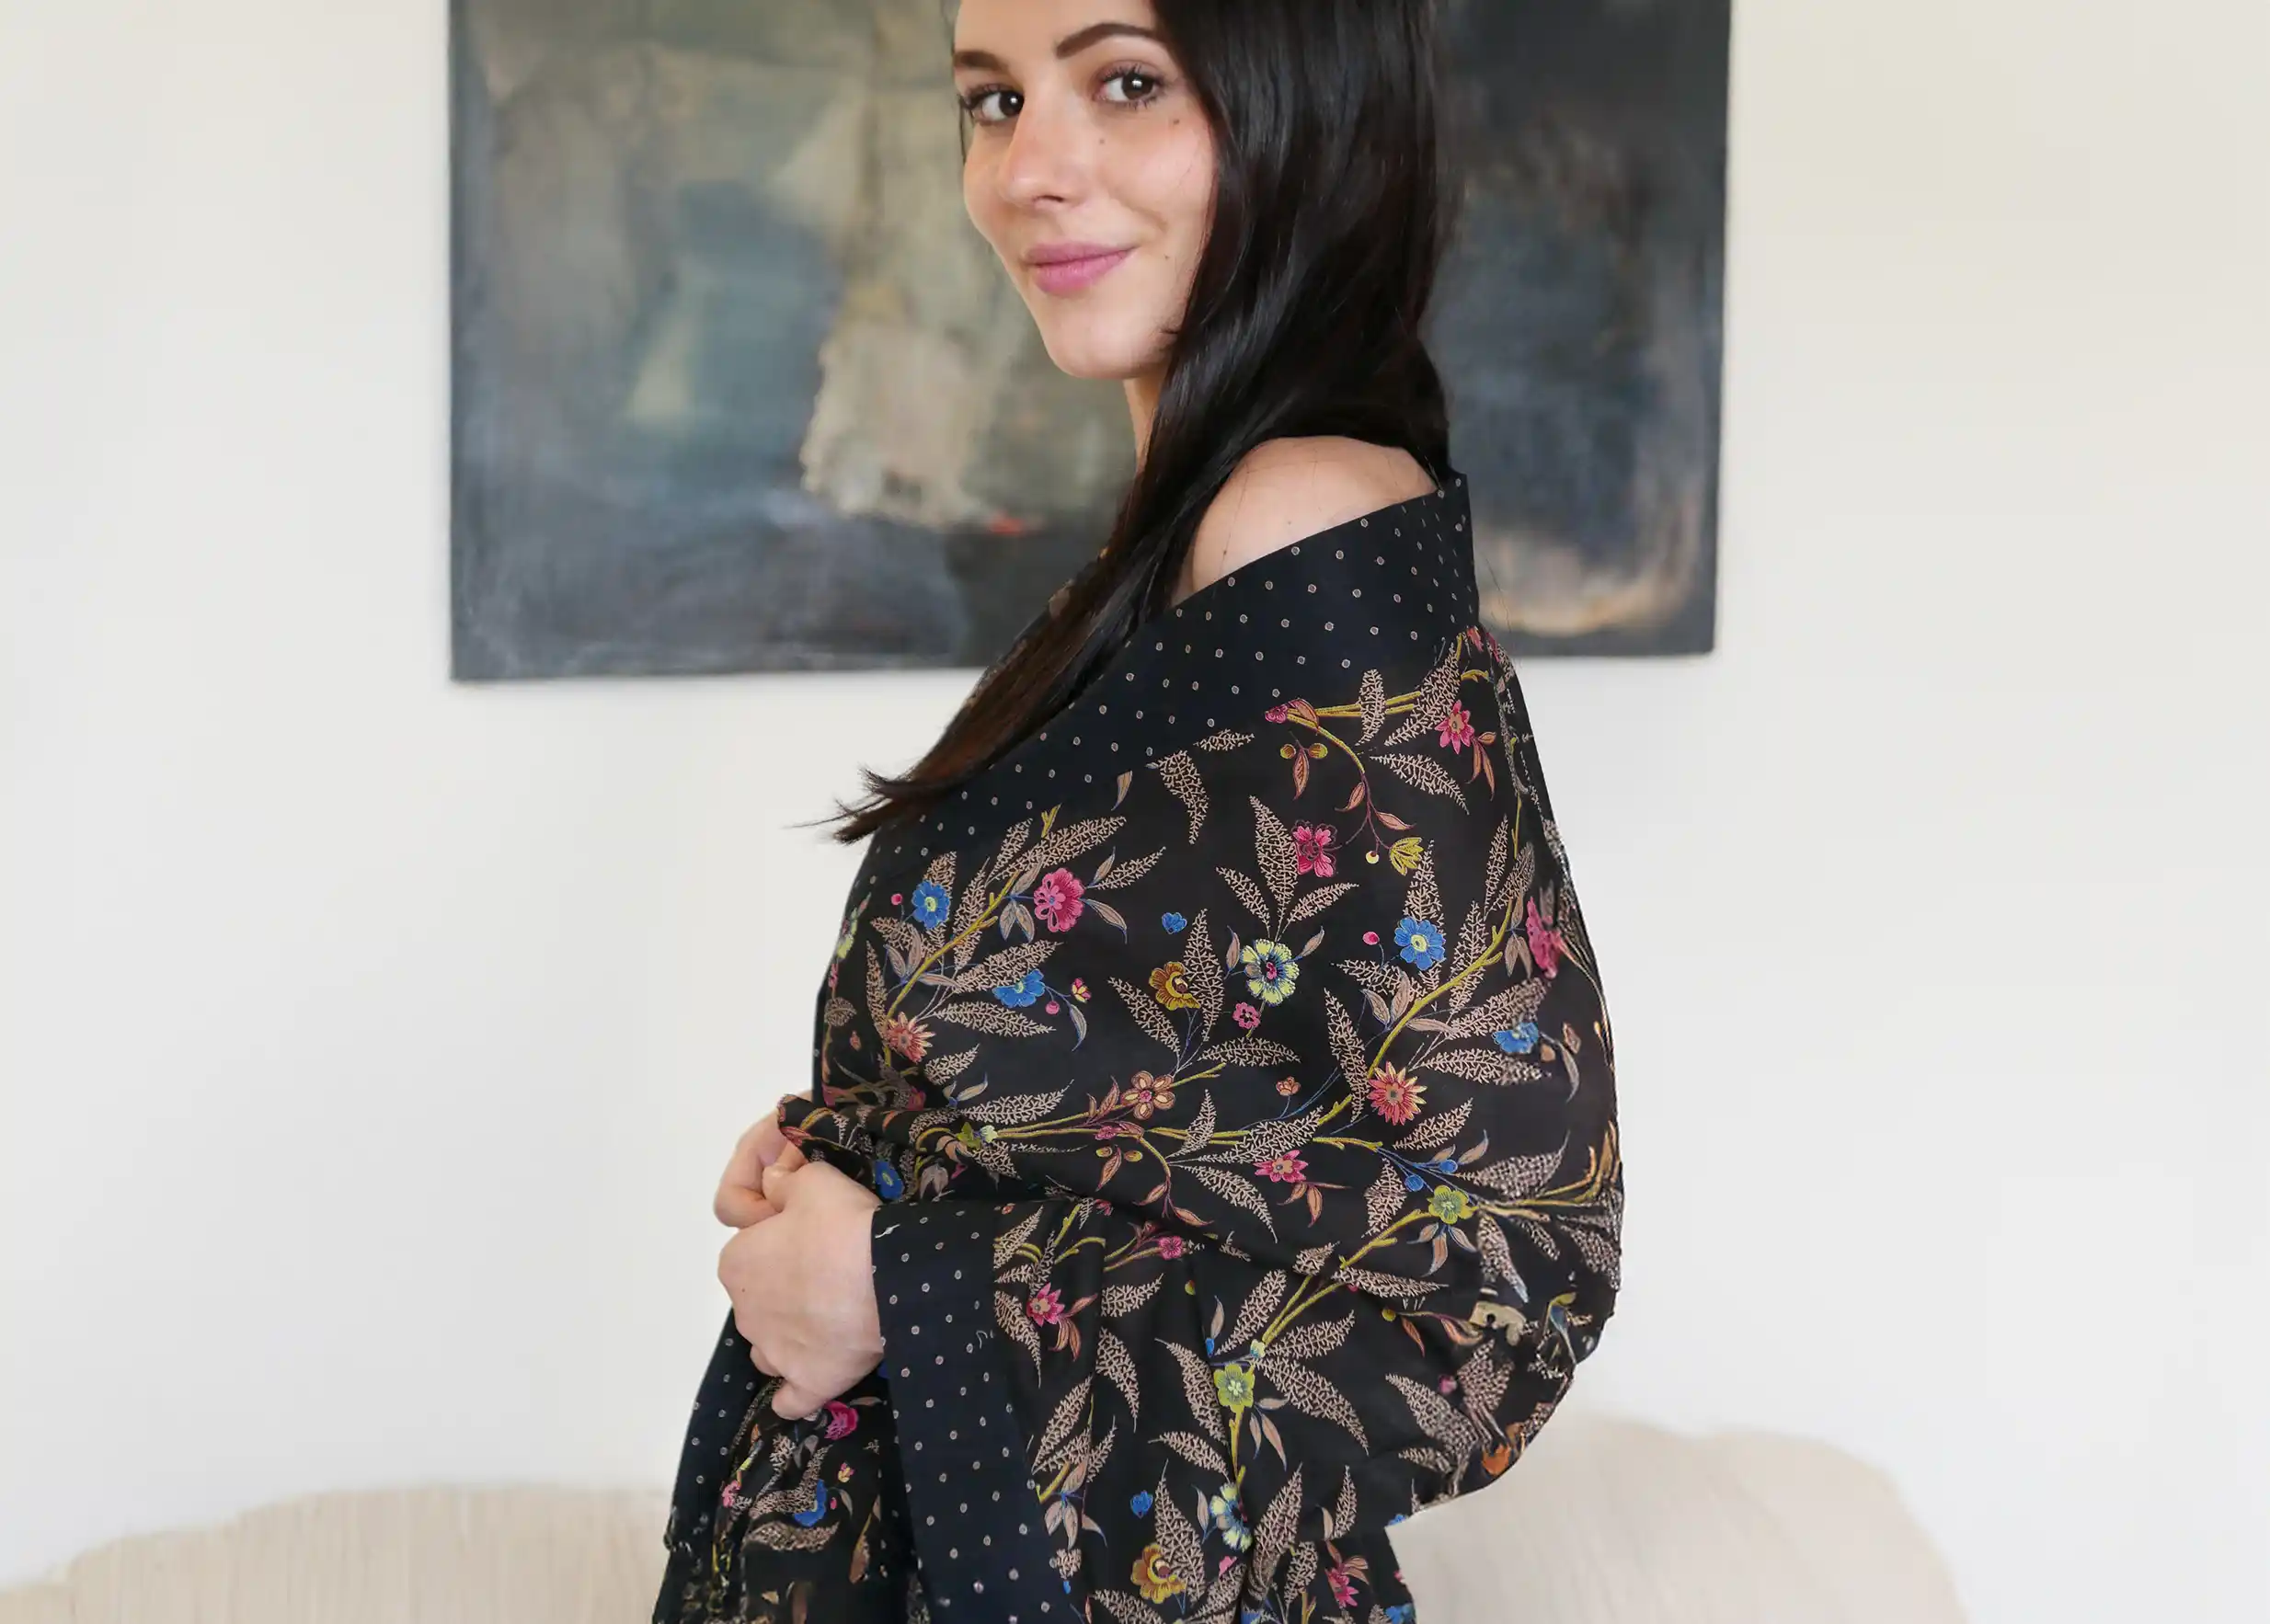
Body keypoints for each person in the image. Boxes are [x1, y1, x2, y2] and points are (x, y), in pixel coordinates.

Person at [653, 3, 1624, 1619]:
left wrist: (902, 1285)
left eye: (1124, 82)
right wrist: (887, 1152)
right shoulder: (1166, 555)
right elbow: (1210, 1106)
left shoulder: (1296, 525)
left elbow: (1505, 1275)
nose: (1030, 169)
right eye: (991, 99)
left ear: (1305, 105)